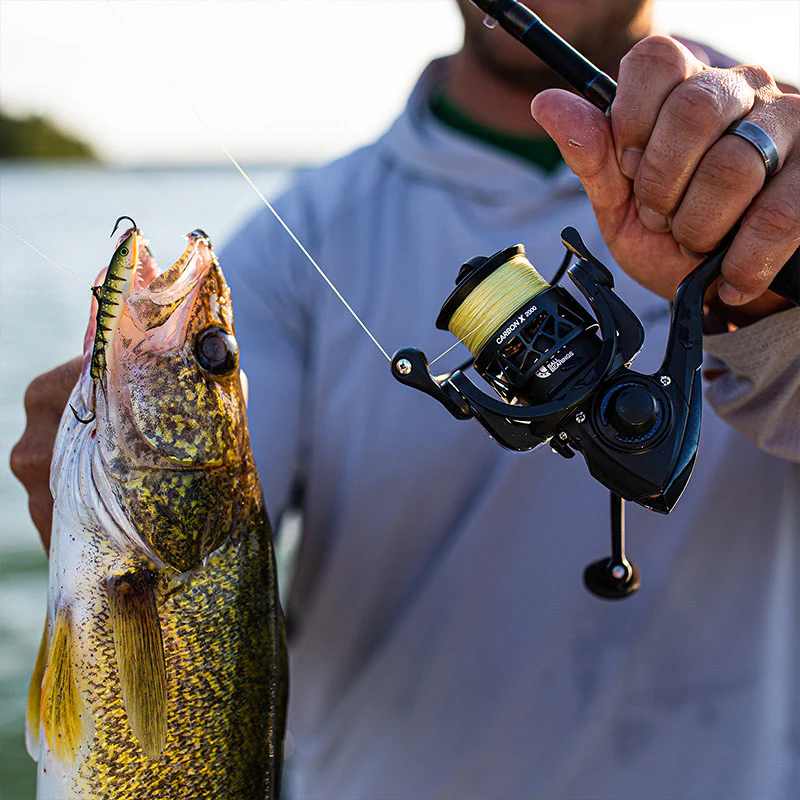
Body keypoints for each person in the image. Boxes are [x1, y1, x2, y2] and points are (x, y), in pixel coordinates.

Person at [12, 1, 800, 796]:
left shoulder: (786, 173)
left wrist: (769, 304)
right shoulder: (304, 238)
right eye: (212, 357)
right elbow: (198, 523)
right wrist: (93, 513)